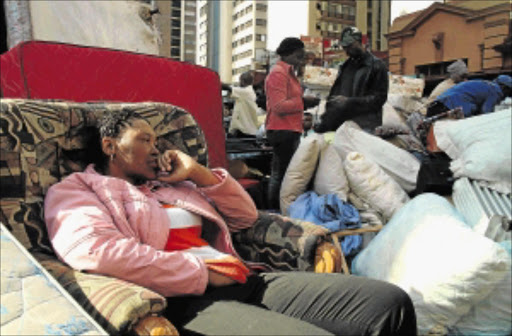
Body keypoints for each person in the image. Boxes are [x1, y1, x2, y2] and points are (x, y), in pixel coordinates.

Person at [44, 109, 417, 336]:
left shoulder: (168, 184)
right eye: (144, 139)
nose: (156, 148)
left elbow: (245, 217)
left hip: (245, 278)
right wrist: (201, 273)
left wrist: (200, 175)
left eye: (158, 140)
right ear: (111, 146)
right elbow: (98, 252)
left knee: (390, 303)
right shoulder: (77, 190)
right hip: (186, 301)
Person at [265, 37, 320, 210]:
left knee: (282, 173)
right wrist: (303, 103)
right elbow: (279, 105)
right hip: (282, 130)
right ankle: (274, 209)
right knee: (281, 175)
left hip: (289, 129)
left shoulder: (287, 73)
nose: (299, 61)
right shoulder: (278, 73)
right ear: (287, 54)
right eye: (297, 56)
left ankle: (277, 208)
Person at [314, 26, 389, 133]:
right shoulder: (345, 67)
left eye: (350, 45)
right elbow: (335, 97)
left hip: (365, 126)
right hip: (344, 125)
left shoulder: (377, 66)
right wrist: (326, 121)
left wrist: (349, 102)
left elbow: (379, 99)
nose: (347, 50)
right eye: (344, 47)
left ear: (359, 42)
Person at [427, 74, 512, 118]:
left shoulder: (485, 84)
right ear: (504, 87)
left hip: (438, 104)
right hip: (452, 105)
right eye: (509, 91)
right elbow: (486, 113)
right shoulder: (495, 91)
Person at [222, 71, 261, 137]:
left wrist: (215, 81)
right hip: (247, 131)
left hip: (243, 132)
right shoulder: (249, 92)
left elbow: (227, 88)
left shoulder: (245, 92)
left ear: (242, 81)